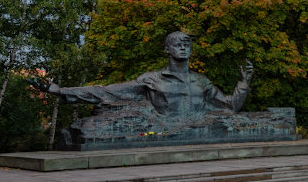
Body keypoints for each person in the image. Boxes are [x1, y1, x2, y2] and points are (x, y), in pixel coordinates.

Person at [31, 31, 254, 118]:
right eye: (178, 44)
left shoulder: (201, 81)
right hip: (163, 133)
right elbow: (107, 92)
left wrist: (244, 83)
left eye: (187, 44)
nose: (184, 47)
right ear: (167, 49)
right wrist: (61, 91)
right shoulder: (152, 80)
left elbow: (230, 106)